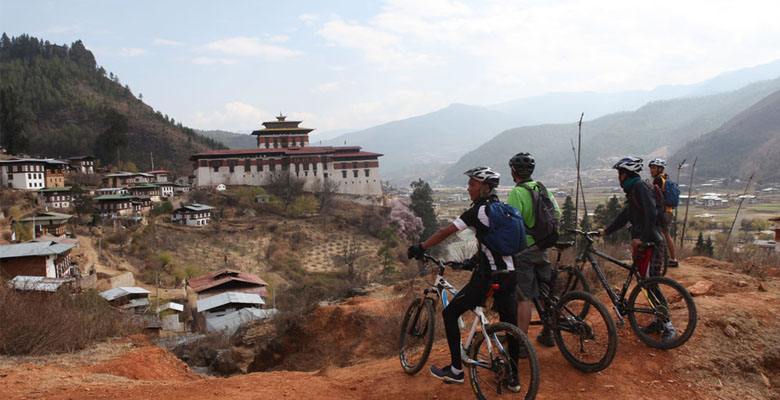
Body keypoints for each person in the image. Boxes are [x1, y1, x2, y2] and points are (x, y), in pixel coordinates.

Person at [407, 167, 521, 391]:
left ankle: (456, 370)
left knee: (450, 313)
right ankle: (514, 379)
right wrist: (473, 259)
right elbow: (493, 243)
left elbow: (443, 233)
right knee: (511, 326)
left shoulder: (477, 212)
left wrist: (421, 246)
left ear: (484, 187)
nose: (468, 189)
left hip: (487, 277)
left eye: (472, 185)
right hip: (510, 274)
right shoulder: (504, 209)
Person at [597, 156, 677, 343]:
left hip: (649, 243)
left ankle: (668, 326)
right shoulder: (634, 190)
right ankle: (658, 322)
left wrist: (642, 238)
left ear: (625, 174)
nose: (618, 177)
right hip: (644, 243)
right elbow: (625, 215)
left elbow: (651, 212)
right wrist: (606, 231)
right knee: (647, 283)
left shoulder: (639, 187)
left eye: (619, 173)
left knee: (650, 283)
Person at [506, 152, 561, 348]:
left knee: (524, 298)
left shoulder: (517, 192)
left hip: (524, 251)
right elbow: (557, 213)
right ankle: (549, 333)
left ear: (513, 172)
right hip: (543, 248)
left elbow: (511, 223)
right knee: (545, 293)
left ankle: (521, 344)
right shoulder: (542, 188)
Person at [648, 158, 679, 268]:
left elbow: (655, 198)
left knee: (655, 235)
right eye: (651, 168)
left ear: (660, 169)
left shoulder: (658, 180)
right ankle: (673, 259)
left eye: (654, 168)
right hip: (669, 212)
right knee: (666, 234)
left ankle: (657, 261)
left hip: (662, 212)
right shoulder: (666, 178)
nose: (651, 170)